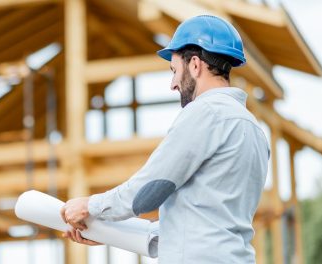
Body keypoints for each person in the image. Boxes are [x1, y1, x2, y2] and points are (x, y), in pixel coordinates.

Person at [60, 15, 270, 263]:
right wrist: (108, 233)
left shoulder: (204, 113)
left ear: (194, 65)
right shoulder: (253, 129)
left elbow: (148, 189)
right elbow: (195, 225)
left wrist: (91, 207)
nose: (173, 84)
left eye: (174, 71)